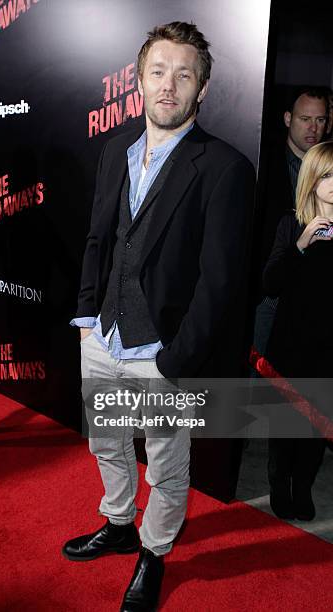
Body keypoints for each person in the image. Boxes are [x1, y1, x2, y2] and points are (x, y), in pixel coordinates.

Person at [62, 21, 255, 611]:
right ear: (139, 81)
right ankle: (120, 523)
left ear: (201, 88)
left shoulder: (224, 167)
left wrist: (177, 358)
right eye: (158, 71)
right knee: (107, 443)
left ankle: (154, 550)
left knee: (167, 466)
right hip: (103, 334)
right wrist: (88, 318)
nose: (168, 86)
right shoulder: (114, 149)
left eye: (183, 74)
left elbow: (220, 283)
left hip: (162, 351)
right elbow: (101, 237)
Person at [263, 141, 333, 521]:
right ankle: (278, 481)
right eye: (327, 175)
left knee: (317, 427)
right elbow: (270, 283)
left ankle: (303, 486)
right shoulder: (291, 223)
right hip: (291, 344)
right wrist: (301, 246)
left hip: (328, 347)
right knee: (286, 424)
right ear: (312, 179)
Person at [253, 88, 329, 358]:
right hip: (270, 290)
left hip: (315, 292)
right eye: (305, 119)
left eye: (320, 120)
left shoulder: (328, 164)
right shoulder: (263, 163)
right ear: (288, 119)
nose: (313, 128)